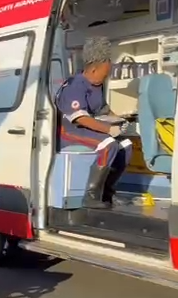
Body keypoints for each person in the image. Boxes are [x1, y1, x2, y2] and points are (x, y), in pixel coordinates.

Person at [55, 36, 132, 209]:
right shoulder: (75, 85)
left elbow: (102, 109)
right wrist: (108, 129)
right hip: (68, 130)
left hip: (87, 127)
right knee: (108, 144)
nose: (108, 74)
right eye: (106, 71)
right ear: (95, 68)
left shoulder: (98, 84)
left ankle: (107, 192)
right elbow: (79, 117)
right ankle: (90, 196)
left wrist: (119, 121)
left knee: (126, 145)